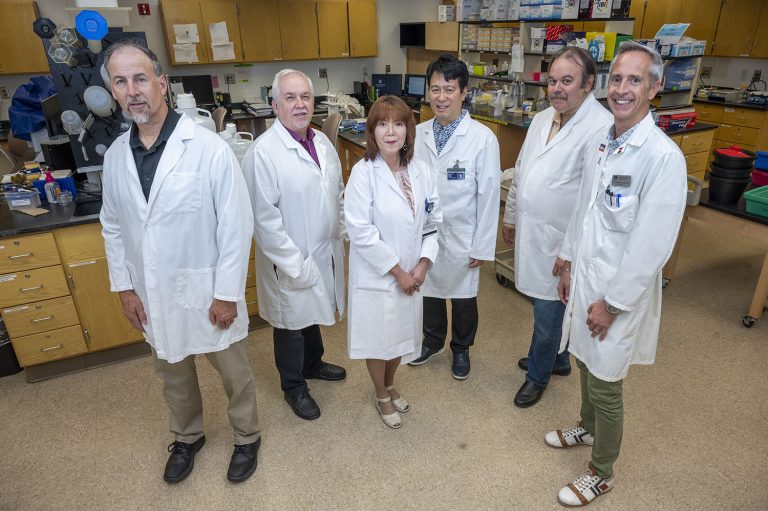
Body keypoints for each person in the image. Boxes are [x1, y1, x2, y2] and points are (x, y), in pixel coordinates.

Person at [100, 40, 260, 484]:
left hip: (208, 289)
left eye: (140, 78)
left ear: (161, 84)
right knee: (171, 372)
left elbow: (235, 226)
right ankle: (188, 436)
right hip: (152, 292)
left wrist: (227, 294)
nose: (133, 90)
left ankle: (247, 436)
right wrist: (124, 288)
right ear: (113, 91)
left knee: (234, 372)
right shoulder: (115, 157)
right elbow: (112, 226)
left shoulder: (208, 149)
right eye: (121, 81)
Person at [546, 41, 687, 507]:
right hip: (586, 274)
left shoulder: (662, 158)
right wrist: (566, 260)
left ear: (655, 86)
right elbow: (584, 209)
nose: (622, 89)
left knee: (606, 382)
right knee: (584, 359)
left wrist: (612, 303)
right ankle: (586, 429)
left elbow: (652, 247)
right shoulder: (605, 139)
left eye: (634, 80)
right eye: (617, 79)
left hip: (617, 291)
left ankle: (601, 472)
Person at [502, 47, 613, 408]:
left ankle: (538, 375)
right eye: (552, 81)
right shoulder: (542, 119)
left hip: (564, 243)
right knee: (544, 303)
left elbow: (589, 203)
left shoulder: (599, 128)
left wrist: (567, 255)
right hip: (534, 232)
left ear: (589, 84)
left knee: (550, 311)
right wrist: (511, 215)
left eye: (567, 81)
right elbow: (522, 172)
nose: (557, 89)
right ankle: (559, 359)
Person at [243, 69, 347, 421]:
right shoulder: (263, 154)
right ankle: (293, 386)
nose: (300, 104)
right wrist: (294, 262)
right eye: (290, 98)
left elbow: (337, 193)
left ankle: (313, 364)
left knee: (313, 312)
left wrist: (345, 231)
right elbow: (264, 221)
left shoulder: (321, 142)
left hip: (322, 248)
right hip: (289, 256)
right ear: (275, 105)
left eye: (305, 96)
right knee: (290, 323)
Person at [344, 96, 442, 429]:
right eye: (382, 124)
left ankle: (389, 382)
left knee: (400, 336)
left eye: (398, 123)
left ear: (408, 130)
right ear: (372, 131)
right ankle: (381, 392)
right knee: (378, 338)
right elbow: (360, 231)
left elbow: (433, 220)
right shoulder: (363, 173)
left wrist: (424, 264)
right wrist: (399, 272)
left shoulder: (422, 170)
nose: (390, 132)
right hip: (380, 274)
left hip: (413, 273)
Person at [409, 54, 501, 379]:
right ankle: (432, 341)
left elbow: (489, 196)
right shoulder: (416, 134)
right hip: (426, 231)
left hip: (464, 233)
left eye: (449, 89)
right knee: (429, 291)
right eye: (435, 89)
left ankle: (461, 349)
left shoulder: (482, 138)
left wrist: (482, 245)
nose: (441, 97)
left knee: (463, 298)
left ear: (464, 92)